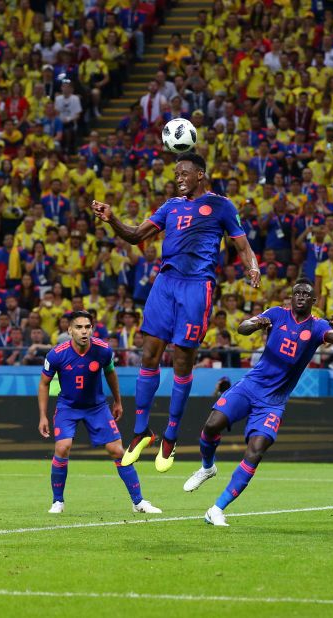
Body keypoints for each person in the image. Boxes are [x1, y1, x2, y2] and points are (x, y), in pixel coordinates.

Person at [92, 152, 260, 472]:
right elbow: (135, 235)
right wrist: (111, 218)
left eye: (184, 173)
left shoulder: (221, 205)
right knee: (150, 354)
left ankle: (170, 435)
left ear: (201, 174)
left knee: (182, 359)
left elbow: (242, 244)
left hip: (197, 287)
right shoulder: (169, 206)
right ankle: (141, 431)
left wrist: (252, 267)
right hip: (165, 282)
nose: (178, 177)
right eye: (176, 174)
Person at [182, 279, 333, 526]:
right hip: (251, 386)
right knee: (212, 424)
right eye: (297, 293)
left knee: (256, 451)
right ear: (291, 298)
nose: (301, 296)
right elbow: (242, 328)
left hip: (273, 402)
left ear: (314, 301)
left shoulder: (317, 326)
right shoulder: (276, 314)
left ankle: (216, 509)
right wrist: (256, 324)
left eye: (306, 294)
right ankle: (207, 467)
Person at [37, 310, 161, 514]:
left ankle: (138, 502)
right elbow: (44, 384)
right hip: (68, 407)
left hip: (97, 407)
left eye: (87, 327)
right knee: (62, 447)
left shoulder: (103, 350)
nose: (84, 331)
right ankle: (57, 502)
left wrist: (118, 402)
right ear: (69, 330)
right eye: (79, 327)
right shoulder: (56, 354)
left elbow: (111, 373)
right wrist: (42, 415)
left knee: (117, 451)